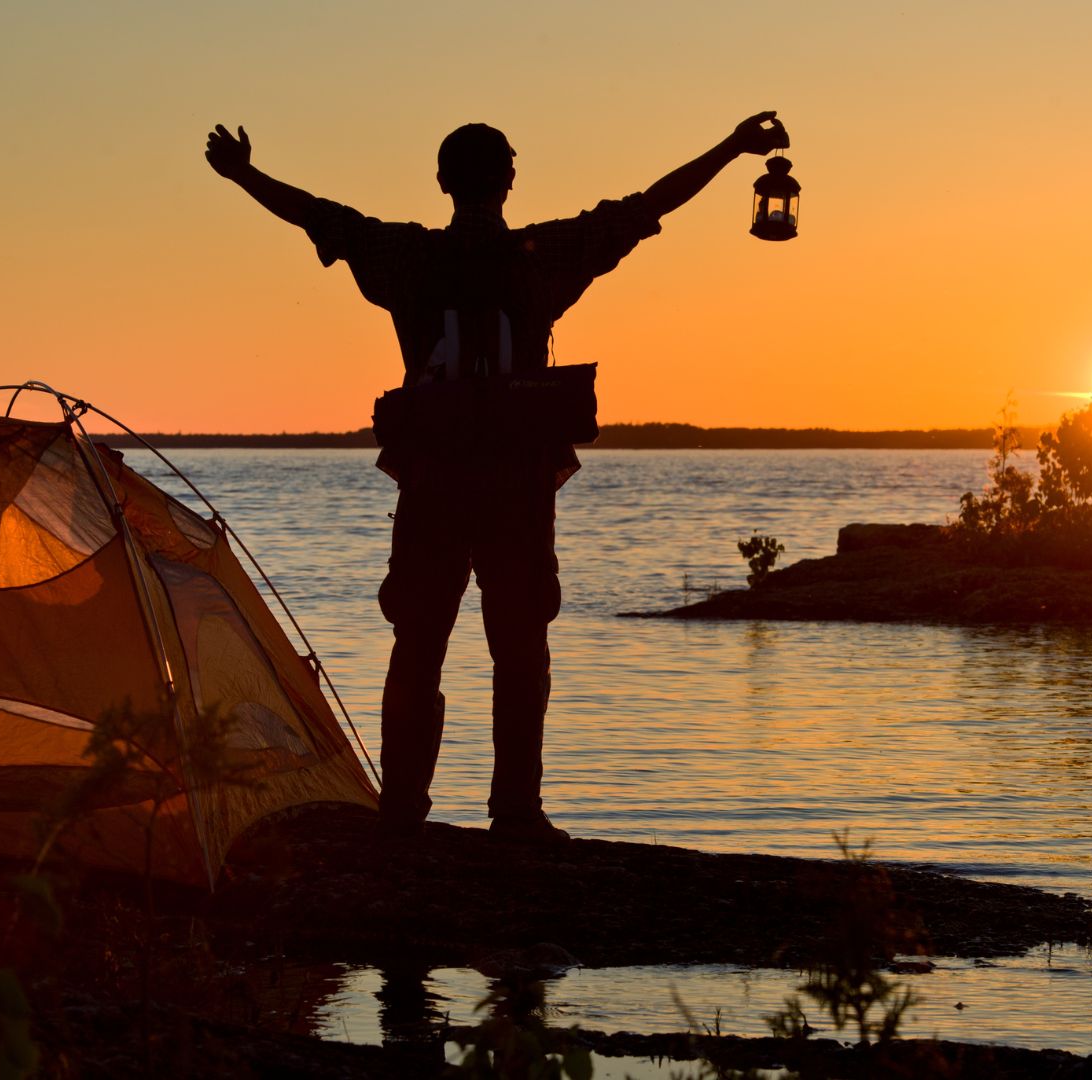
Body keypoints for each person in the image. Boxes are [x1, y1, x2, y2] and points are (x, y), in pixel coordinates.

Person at [205, 111, 790, 843]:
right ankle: (515, 811)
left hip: (432, 487)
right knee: (519, 650)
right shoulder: (543, 258)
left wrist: (244, 175)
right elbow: (649, 205)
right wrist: (735, 149)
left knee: (419, 646)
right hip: (515, 490)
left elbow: (317, 216)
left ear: (443, 182)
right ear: (509, 180)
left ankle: (402, 811)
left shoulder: (405, 258)